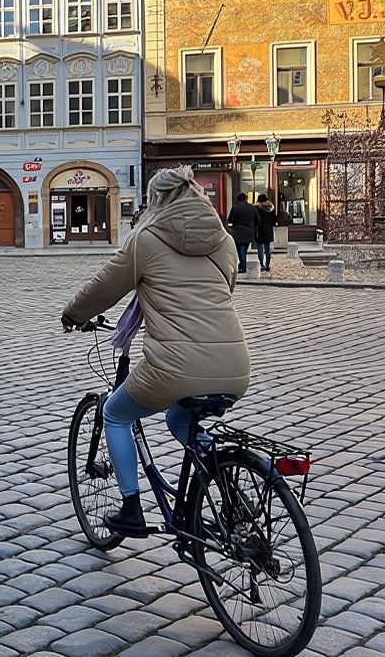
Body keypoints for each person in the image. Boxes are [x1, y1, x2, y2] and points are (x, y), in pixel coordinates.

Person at [61, 166, 249, 536]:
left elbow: (105, 286)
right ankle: (225, 481)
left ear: (156, 200)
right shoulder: (225, 242)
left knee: (115, 414)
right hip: (234, 366)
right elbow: (224, 290)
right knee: (179, 420)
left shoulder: (145, 239)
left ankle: (131, 509)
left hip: (174, 367)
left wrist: (73, 314)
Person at [226, 192, 259, 274]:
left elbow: (229, 220)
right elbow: (258, 219)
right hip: (249, 231)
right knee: (244, 249)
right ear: (246, 199)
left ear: (238, 199)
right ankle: (242, 264)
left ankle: (243, 266)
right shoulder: (252, 207)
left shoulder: (235, 207)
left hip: (237, 231)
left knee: (240, 249)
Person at [256, 194, 278, 273]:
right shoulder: (271, 208)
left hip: (259, 230)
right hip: (268, 230)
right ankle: (267, 265)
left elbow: (255, 219)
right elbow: (274, 221)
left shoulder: (257, 208)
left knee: (260, 248)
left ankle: (262, 264)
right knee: (267, 248)